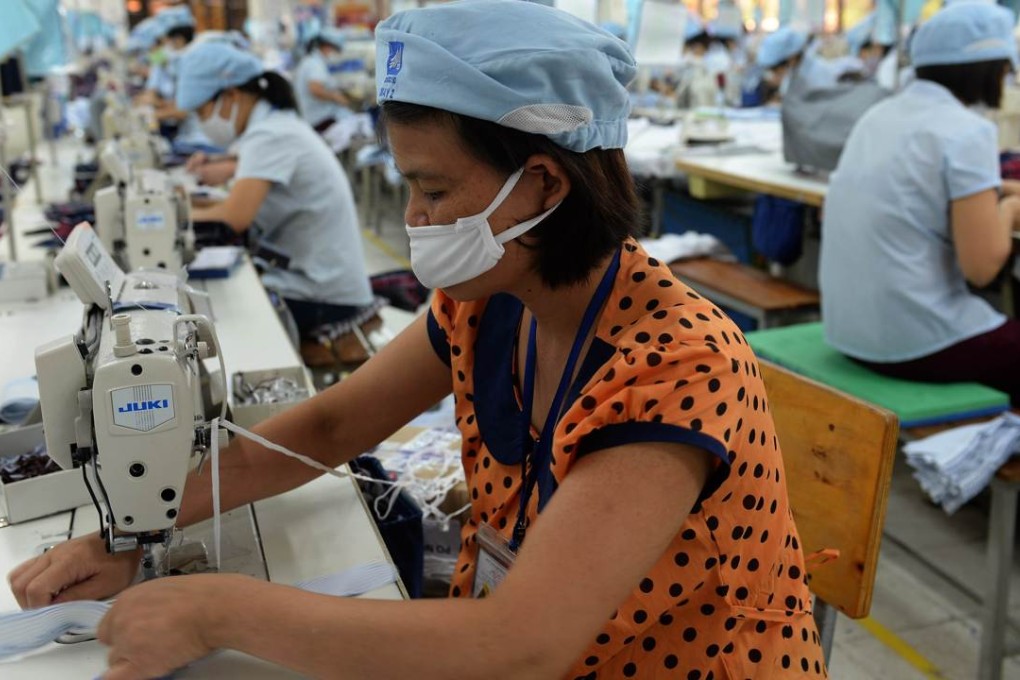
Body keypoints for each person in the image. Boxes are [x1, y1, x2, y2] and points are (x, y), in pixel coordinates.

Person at [7, 2, 827, 678]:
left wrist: (217, 609)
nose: (414, 221)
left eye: (432, 189)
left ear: (542, 183)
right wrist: (136, 529)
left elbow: (520, 645)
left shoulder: (676, 364)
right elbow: (329, 428)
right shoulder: (489, 299)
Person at [820, 2, 1020, 405]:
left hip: (847, 331)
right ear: (990, 69)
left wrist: (995, 191)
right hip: (915, 341)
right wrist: (1011, 207)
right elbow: (982, 268)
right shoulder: (968, 131)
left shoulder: (879, 115)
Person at [174, 41, 373, 343]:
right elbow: (239, 182)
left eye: (202, 112)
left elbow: (232, 218)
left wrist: (166, 217)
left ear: (231, 95)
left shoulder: (269, 134)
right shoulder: (272, 125)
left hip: (325, 296)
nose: (203, 124)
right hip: (317, 280)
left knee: (213, 316)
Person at [295, 27, 354, 133]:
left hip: (315, 115)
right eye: (334, 49)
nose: (334, 53)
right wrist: (336, 97)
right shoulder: (314, 64)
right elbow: (315, 89)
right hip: (318, 118)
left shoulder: (313, 61)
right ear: (327, 46)